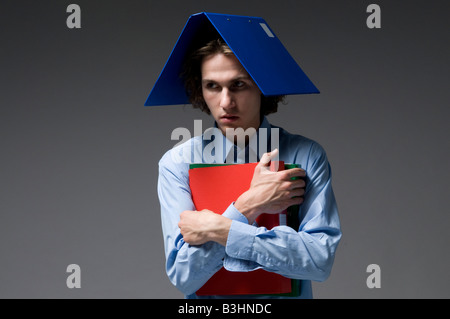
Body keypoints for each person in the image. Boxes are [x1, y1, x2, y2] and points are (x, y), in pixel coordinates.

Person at [157, 36, 342, 299]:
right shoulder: (177, 163)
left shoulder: (306, 155)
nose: (225, 102)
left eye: (238, 85)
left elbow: (319, 261)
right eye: (212, 86)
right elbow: (183, 275)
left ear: (262, 87)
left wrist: (220, 228)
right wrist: (247, 207)